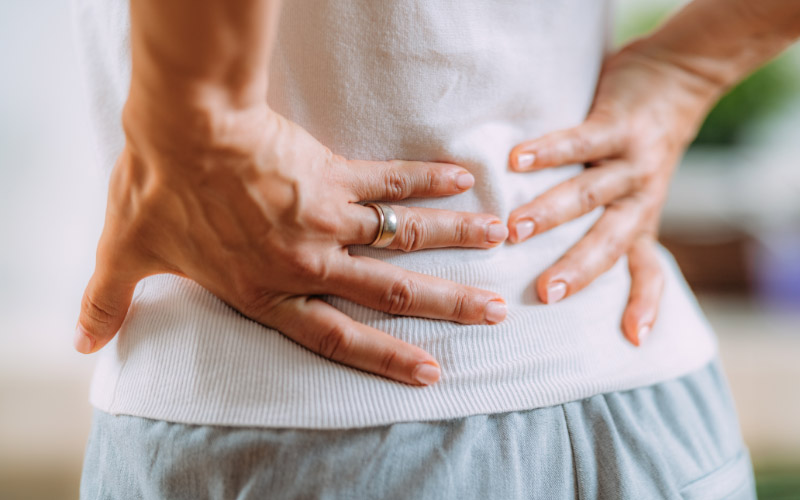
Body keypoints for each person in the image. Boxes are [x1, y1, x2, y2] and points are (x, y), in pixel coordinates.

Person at [72, 0, 799, 498]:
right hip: (648, 410)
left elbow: (205, 139)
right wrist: (696, 63)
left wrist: (201, 132)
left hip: (303, 436)